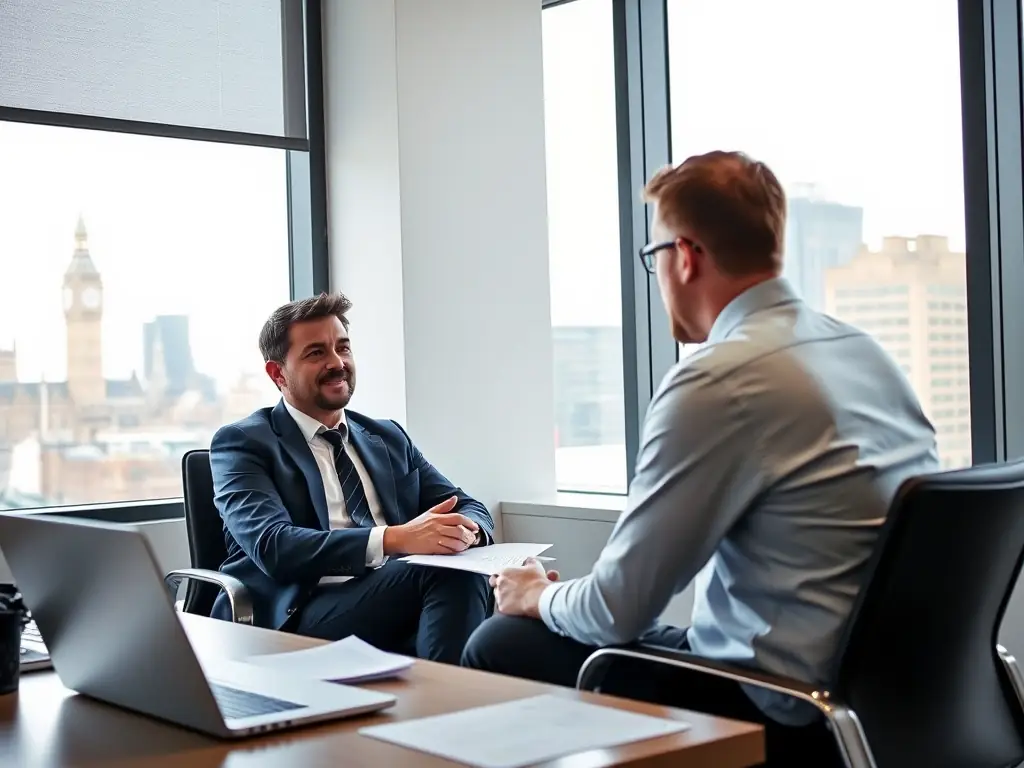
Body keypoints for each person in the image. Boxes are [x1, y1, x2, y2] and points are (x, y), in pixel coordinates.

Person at [462, 151, 939, 733]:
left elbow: (616, 611)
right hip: (899, 696)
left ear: (684, 256)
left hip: (785, 705)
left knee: (502, 639)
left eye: (652, 256)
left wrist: (532, 594)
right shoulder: (863, 352)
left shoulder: (720, 379)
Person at [210, 293, 494, 664]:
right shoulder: (244, 443)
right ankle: (454, 709)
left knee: (482, 579)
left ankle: (452, 705)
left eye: (342, 348)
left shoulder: (387, 436)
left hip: (391, 590)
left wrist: (461, 530)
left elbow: (466, 504)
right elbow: (274, 546)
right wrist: (396, 539)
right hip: (300, 608)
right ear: (278, 373)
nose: (337, 363)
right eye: (316, 353)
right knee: (450, 577)